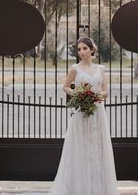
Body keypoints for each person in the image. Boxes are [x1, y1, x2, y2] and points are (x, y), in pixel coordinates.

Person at [49, 37, 118, 195]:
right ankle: (78, 187)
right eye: (79, 49)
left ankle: (98, 188)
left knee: (97, 146)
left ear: (92, 49)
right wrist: (80, 94)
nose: (81, 52)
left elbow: (106, 92)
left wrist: (98, 95)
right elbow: (65, 87)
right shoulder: (75, 68)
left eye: (84, 49)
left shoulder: (101, 69)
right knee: (81, 146)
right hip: (81, 112)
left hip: (98, 111)